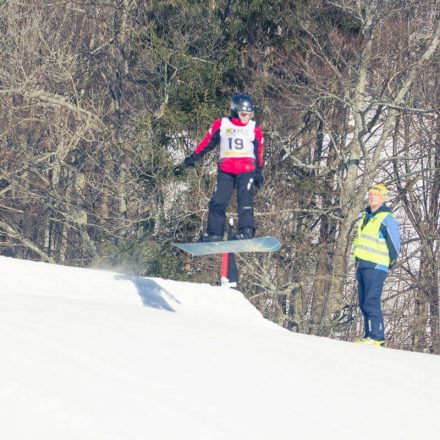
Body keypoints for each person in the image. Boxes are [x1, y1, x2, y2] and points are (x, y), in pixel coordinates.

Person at [174, 93, 264, 242]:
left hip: (246, 169)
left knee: (245, 200)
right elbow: (207, 142)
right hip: (226, 170)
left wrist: (258, 171)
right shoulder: (222, 124)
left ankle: (246, 230)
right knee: (218, 201)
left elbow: (258, 150)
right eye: (243, 114)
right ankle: (214, 233)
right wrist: (191, 159)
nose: (247, 117)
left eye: (250, 114)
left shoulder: (254, 128)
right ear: (235, 111)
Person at [353, 184, 400, 347]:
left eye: (376, 195)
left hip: (377, 265)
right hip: (362, 265)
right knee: (363, 302)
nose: (372, 197)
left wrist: (389, 263)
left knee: (371, 301)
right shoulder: (366, 216)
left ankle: (377, 337)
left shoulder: (386, 218)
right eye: (371, 194)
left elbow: (394, 244)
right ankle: (369, 335)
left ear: (382, 198)